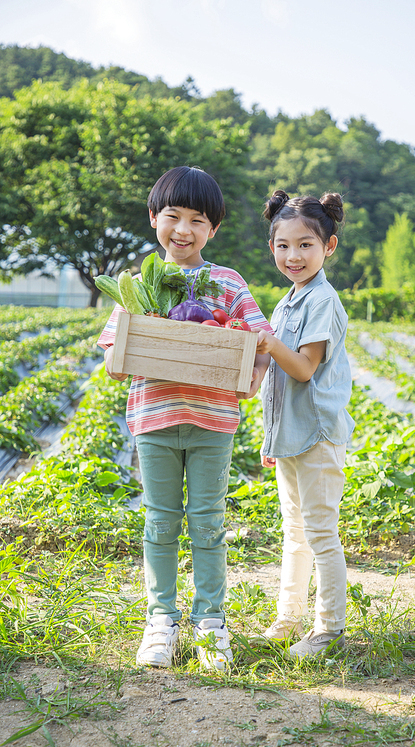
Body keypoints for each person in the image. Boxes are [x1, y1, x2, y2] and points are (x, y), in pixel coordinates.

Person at [98, 166, 272, 671]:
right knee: (160, 519)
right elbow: (113, 358)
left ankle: (211, 622)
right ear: (155, 218)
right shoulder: (137, 287)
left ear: (212, 229)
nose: (184, 229)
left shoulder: (226, 283)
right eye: (173, 216)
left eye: (198, 220)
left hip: (213, 420)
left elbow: (258, 336)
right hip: (154, 418)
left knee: (209, 521)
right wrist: (133, 347)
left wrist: (256, 371)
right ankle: (161, 620)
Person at [256, 189, 355, 659]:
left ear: (328, 246)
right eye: (283, 245)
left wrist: (270, 345)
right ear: (272, 246)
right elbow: (275, 382)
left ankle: (329, 627)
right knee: (294, 530)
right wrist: (270, 434)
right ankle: (288, 616)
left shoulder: (321, 301)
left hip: (316, 435)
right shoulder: (287, 302)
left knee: (319, 531)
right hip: (290, 436)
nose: (293, 256)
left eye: (305, 245)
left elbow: (302, 369)